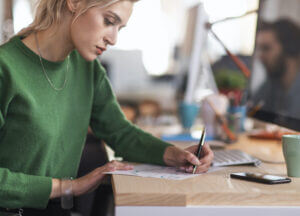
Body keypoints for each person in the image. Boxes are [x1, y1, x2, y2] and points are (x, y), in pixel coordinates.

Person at [0, 0, 214, 215]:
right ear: (74, 3)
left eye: (119, 28)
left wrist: (173, 155)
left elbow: (119, 132)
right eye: (109, 21)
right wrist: (70, 186)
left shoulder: (87, 67)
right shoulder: (5, 68)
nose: (113, 39)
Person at [252, 19, 300, 118]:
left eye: (266, 48)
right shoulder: (270, 84)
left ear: (289, 49)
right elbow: (251, 112)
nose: (260, 56)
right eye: (259, 49)